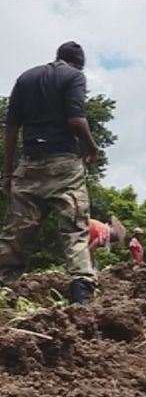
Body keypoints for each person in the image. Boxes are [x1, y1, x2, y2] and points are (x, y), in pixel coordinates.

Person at [0, 41, 99, 304]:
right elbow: (76, 120)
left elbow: (11, 128)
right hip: (64, 164)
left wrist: (8, 173)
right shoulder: (74, 76)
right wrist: (91, 147)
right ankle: (82, 296)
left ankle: (3, 293)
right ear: (78, 64)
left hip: (29, 164)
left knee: (16, 234)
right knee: (74, 228)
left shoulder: (26, 77)